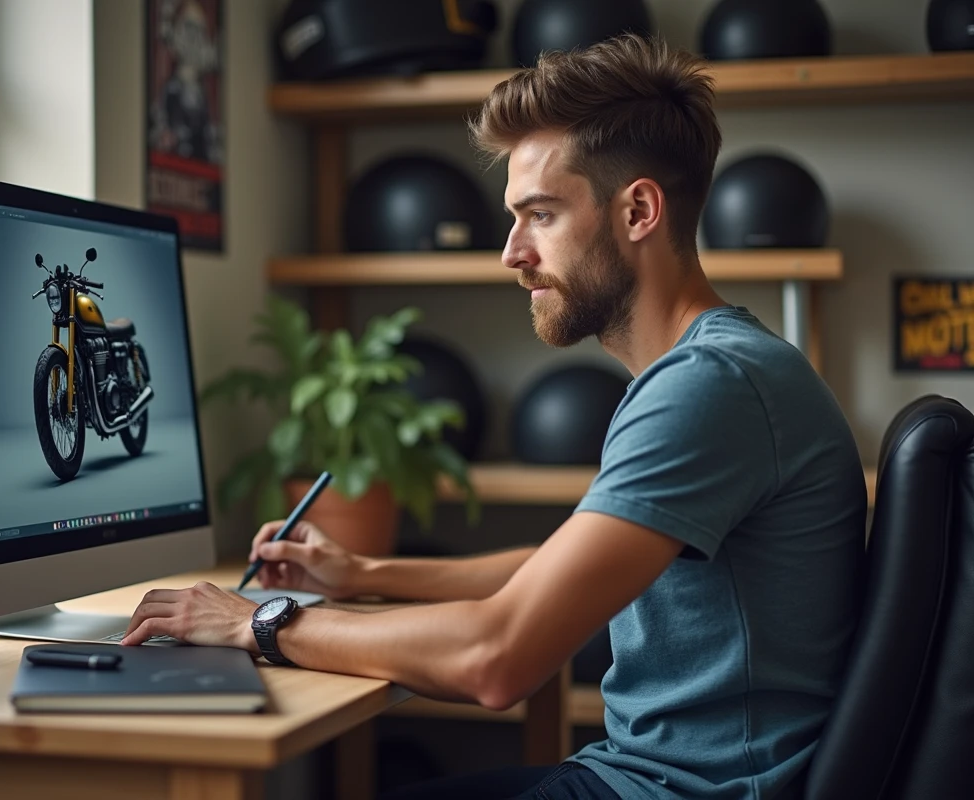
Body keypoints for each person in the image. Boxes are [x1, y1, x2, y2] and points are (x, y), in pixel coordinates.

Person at [122, 34, 867, 800]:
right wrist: (364, 574)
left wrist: (260, 621)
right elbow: (552, 574)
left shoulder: (709, 385)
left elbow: (496, 659)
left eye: (539, 214)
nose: (512, 252)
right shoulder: (712, 370)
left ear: (639, 209)